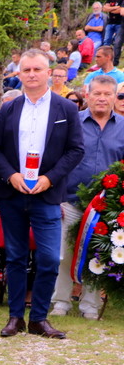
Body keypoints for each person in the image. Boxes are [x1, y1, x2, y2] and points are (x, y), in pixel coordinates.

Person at [0, 49, 84, 339]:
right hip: (13, 193)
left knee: (49, 258)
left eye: (37, 70)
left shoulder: (65, 109)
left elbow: (76, 149)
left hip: (47, 194)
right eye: (26, 70)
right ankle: (16, 317)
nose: (31, 74)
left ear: (49, 73)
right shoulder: (9, 108)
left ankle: (39, 318)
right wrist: (11, 175)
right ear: (19, 74)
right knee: (15, 258)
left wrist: (50, 178)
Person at [51, 75, 124, 320]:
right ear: (88, 95)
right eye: (97, 94)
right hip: (69, 201)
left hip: (106, 206)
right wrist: (56, 197)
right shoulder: (73, 123)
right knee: (63, 254)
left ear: (114, 97)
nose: (102, 98)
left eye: (107, 94)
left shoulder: (123, 127)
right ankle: (61, 301)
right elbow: (57, 160)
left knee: (98, 255)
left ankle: (89, 305)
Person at [102, 0, 124, 65]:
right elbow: (104, 9)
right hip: (110, 22)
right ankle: (105, 57)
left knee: (117, 42)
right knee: (106, 40)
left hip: (119, 23)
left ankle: (114, 60)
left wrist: (111, 8)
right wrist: (115, 8)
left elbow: (120, 11)